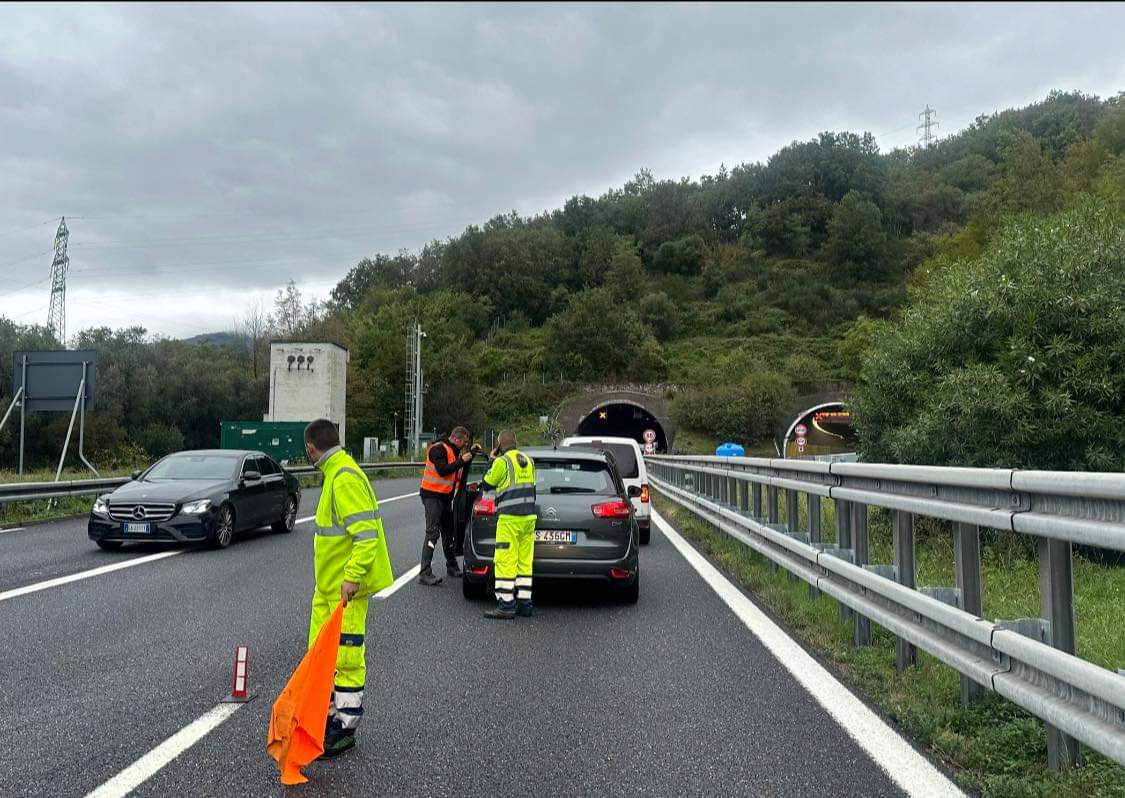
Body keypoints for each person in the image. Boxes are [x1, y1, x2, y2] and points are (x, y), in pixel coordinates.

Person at [304, 418, 394, 758]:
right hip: (328, 590)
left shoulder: (343, 478)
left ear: (311, 448)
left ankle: (344, 728)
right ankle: (325, 718)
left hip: (345, 592)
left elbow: (366, 538)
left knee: (347, 659)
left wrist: (352, 578)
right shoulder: (337, 473)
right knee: (322, 657)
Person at [480, 430, 537, 620]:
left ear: (499, 444)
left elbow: (487, 484)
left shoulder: (501, 462)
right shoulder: (529, 461)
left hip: (509, 519)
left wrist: (491, 461)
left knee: (505, 561)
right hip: (528, 519)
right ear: (516, 442)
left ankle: (506, 605)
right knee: (524, 562)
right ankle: (525, 604)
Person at [417, 425, 478, 586]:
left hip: (445, 498)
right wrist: (461, 461)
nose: (463, 446)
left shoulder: (454, 450)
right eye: (463, 443)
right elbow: (443, 470)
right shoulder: (438, 449)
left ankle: (451, 566)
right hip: (432, 496)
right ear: (456, 438)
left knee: (449, 532)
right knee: (432, 533)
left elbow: (455, 474)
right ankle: (425, 572)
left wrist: (469, 455)